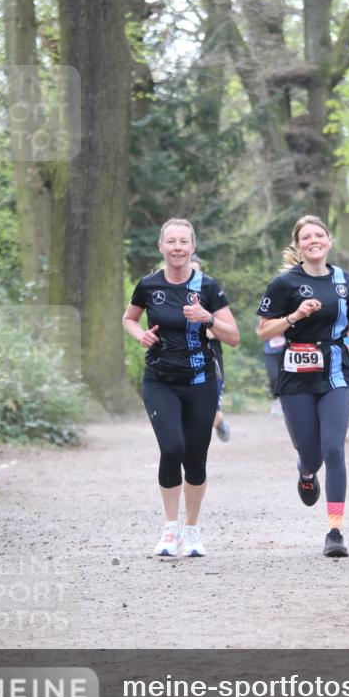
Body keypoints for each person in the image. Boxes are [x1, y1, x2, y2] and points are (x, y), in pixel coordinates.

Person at [256, 215, 349, 558]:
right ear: (298, 246)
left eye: (318, 235)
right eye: (306, 237)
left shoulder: (343, 280)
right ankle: (306, 472)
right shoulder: (284, 283)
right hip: (297, 376)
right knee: (311, 454)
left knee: (334, 448)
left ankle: (335, 531)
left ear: (329, 241)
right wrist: (294, 316)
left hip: (335, 373)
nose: (313, 241)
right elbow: (263, 331)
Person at [123, 219, 240, 558]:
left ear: (192, 247)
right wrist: (140, 336)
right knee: (172, 448)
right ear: (161, 246)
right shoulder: (149, 285)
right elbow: (129, 318)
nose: (177, 247)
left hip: (200, 381)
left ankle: (192, 531)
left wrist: (207, 318)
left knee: (195, 458)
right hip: (160, 380)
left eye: (183, 242)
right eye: (171, 241)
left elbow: (233, 337)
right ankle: (170, 528)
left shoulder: (208, 287)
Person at [191, 257, 230, 442]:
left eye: (195, 271)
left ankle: (219, 421)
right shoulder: (171, 296)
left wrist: (204, 329)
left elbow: (225, 330)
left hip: (211, 358)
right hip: (182, 359)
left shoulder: (210, 293)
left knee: (210, 412)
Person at [263, 336, 286, 416]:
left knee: (285, 378)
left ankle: (285, 403)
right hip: (270, 353)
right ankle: (276, 400)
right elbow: (261, 333)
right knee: (274, 377)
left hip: (285, 351)